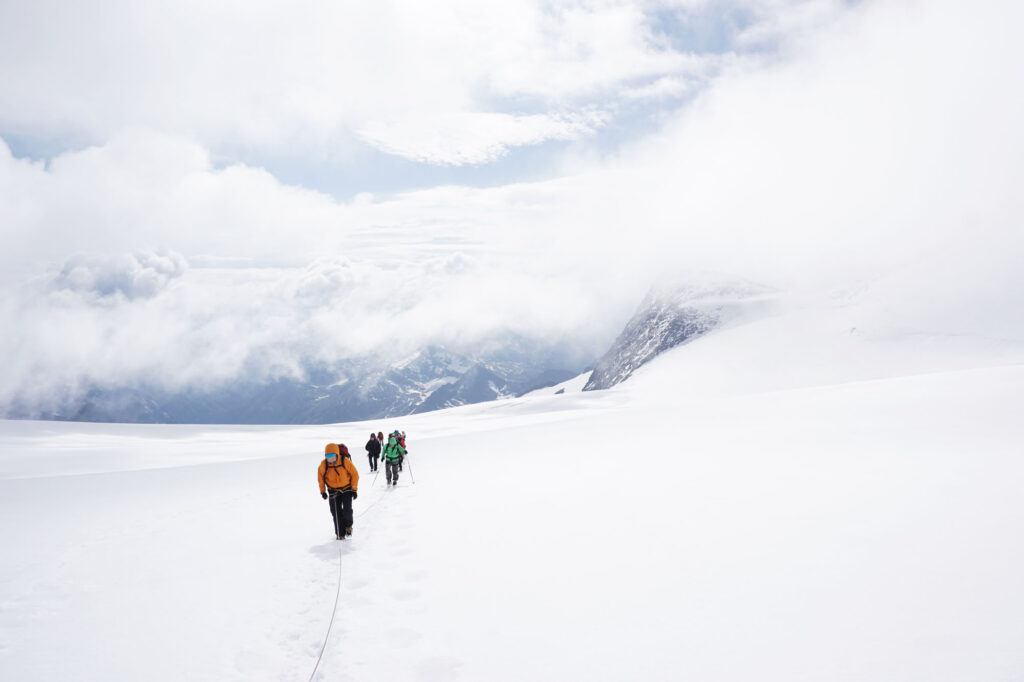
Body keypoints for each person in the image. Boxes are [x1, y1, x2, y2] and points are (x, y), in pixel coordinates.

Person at [318, 443, 359, 539]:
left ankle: (348, 527)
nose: (330, 459)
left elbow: (355, 474)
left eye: (332, 456)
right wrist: (323, 491)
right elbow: (320, 478)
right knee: (336, 513)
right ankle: (340, 534)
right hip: (333, 491)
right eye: (328, 457)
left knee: (347, 511)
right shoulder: (324, 465)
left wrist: (354, 489)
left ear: (337, 454)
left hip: (346, 489)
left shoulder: (344, 461)